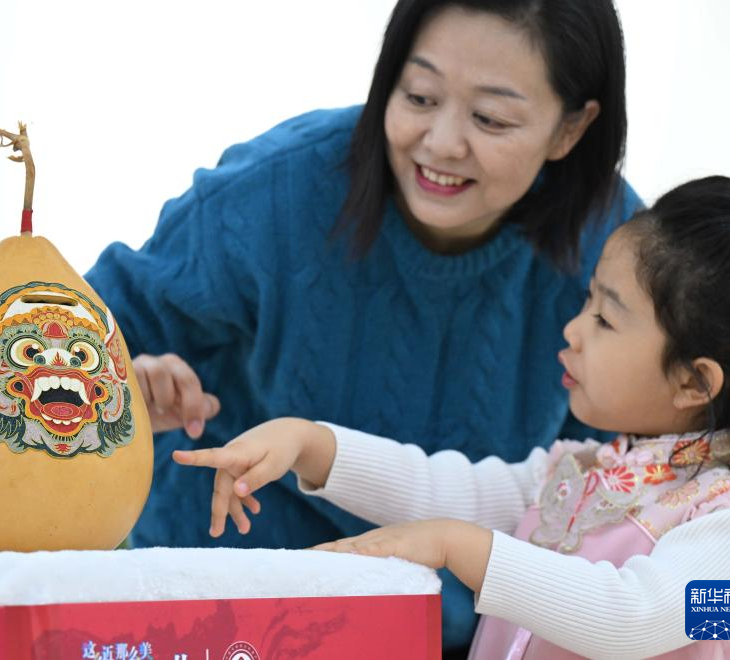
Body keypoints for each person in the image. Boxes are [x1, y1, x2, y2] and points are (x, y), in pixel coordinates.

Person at [85, 0, 640, 650]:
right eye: (419, 96)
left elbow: (633, 498)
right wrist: (128, 382)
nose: (441, 143)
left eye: (490, 118)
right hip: (222, 609)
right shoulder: (275, 191)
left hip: (458, 634)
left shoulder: (622, 262)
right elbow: (77, 343)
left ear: (571, 128)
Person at [174, 176, 730, 658]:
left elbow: (638, 616)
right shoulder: (580, 473)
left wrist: (459, 546)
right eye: (586, 301)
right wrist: (309, 444)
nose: (572, 330)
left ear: (694, 381)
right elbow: (442, 490)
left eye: (605, 320)